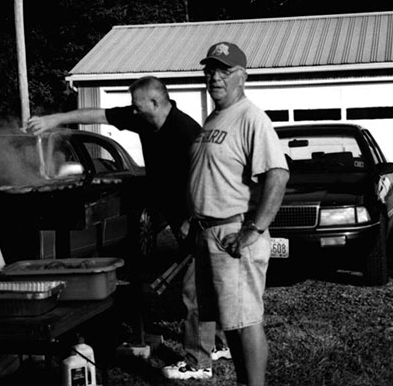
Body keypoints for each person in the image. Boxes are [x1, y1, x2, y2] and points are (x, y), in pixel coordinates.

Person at [26, 76, 229, 381]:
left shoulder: (187, 132)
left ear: (156, 103)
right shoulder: (144, 120)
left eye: (137, 105)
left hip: (200, 216)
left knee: (194, 289)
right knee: (206, 283)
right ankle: (218, 344)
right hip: (179, 215)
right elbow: (100, 114)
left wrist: (192, 220)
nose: (131, 111)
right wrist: (54, 120)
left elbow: (208, 179)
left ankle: (198, 362)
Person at [187, 42, 289, 386]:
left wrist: (254, 229)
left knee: (246, 321)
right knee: (230, 321)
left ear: (242, 77)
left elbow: (277, 174)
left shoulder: (251, 117)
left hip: (234, 236)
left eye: (223, 70)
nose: (214, 77)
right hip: (210, 233)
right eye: (209, 70)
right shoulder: (215, 117)